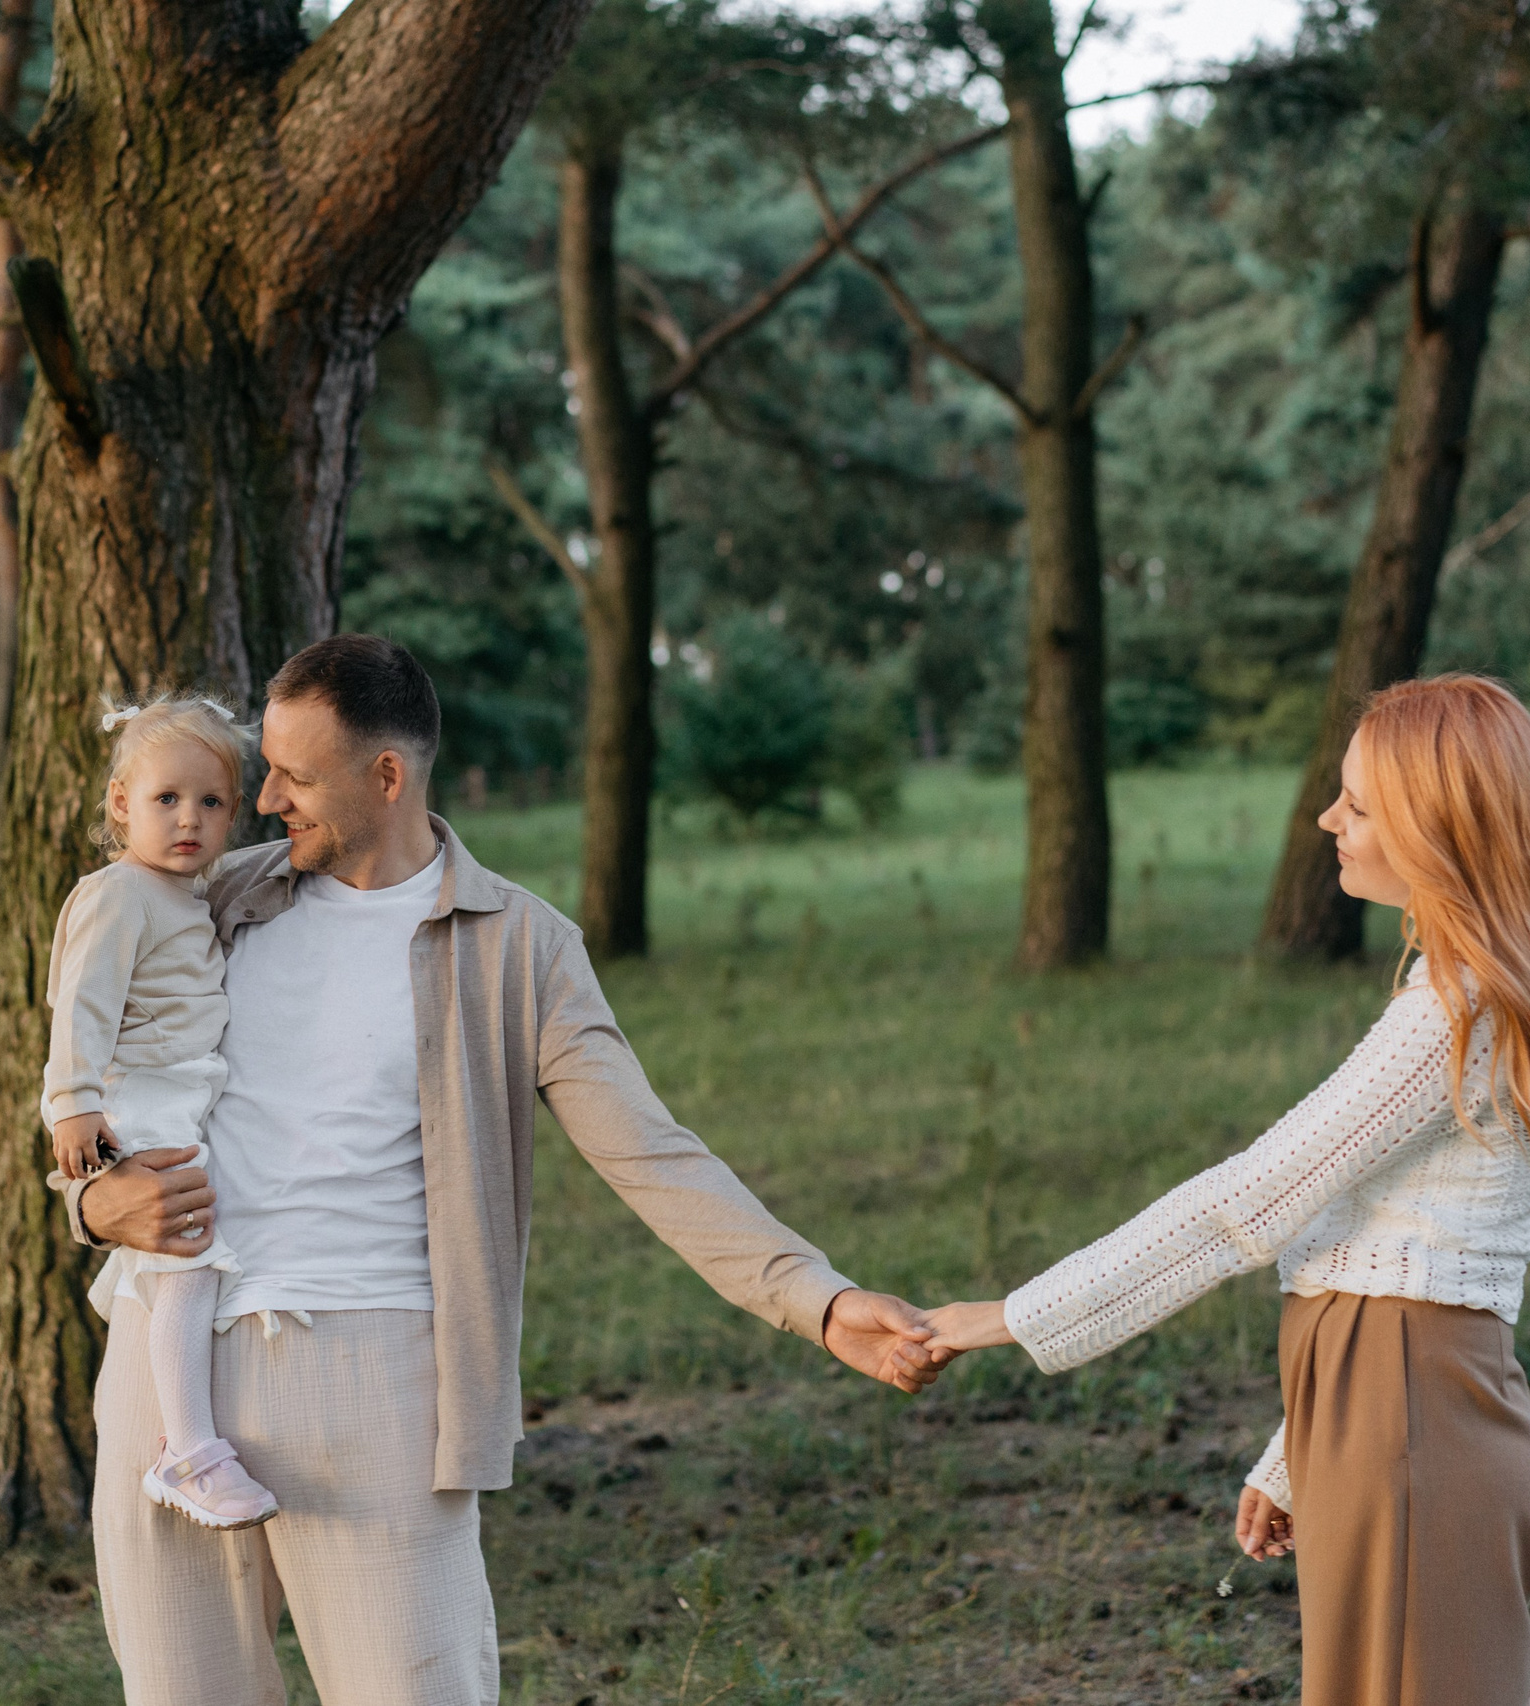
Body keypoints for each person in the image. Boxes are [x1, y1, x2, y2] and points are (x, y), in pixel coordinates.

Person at [55, 634, 940, 1706]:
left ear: (386, 775)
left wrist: (818, 1295)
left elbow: (650, 1151)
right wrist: (96, 1198)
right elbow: (104, 1054)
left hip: (373, 1374)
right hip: (167, 1364)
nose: (262, 797)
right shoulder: (215, 896)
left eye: (293, 773)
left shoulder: (521, 947)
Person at [921, 674, 1530, 1706]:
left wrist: (1011, 1315)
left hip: (1410, 1419)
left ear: (1441, 829)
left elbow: (1252, 1202)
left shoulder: (1454, 1012)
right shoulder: (1481, 989)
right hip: (1400, 1410)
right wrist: (1300, 1447)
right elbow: (1390, 1238)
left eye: (1360, 804)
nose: (1325, 818)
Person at [43, 695, 278, 1532]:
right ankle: (189, 1451)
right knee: (186, 1258)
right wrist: (72, 1106)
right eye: (166, 800)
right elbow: (80, 1006)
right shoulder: (118, 894)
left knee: (180, 1261)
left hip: (183, 1092)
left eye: (212, 802)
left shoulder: (184, 892)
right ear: (120, 805)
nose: (191, 819)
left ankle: (180, 1426)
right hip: (140, 1095)